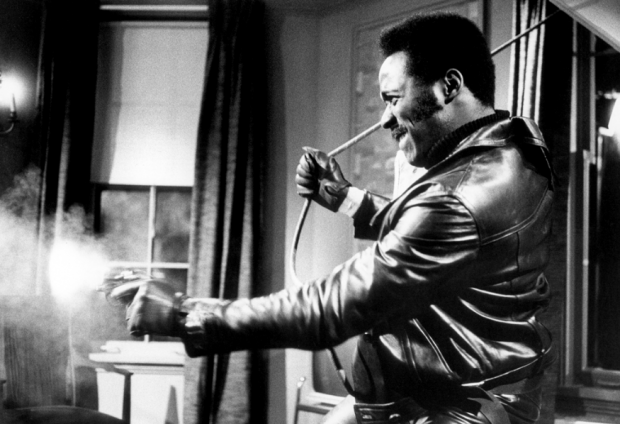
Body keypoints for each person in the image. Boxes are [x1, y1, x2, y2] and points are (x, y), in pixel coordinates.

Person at [110, 11, 556, 424]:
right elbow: (446, 239)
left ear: (449, 86)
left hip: (455, 409)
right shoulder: (511, 151)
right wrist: (347, 199)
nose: (386, 119)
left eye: (393, 99)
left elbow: (334, 306)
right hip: (455, 394)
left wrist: (183, 314)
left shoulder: (453, 198)